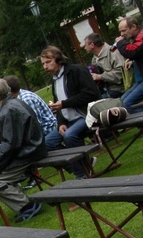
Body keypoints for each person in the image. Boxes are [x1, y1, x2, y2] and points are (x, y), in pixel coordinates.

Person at [0, 79, 46, 222]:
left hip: (27, 153)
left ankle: (27, 205)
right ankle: (24, 203)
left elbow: (11, 146)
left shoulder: (7, 110)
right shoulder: (14, 103)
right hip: (32, 148)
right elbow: (14, 137)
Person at [40, 46, 100, 179]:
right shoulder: (55, 79)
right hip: (69, 120)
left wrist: (64, 103)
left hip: (87, 115)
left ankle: (82, 174)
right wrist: (61, 122)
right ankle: (85, 163)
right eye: (43, 64)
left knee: (69, 135)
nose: (45, 67)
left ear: (58, 59)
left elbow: (92, 94)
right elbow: (59, 104)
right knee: (47, 143)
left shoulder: (76, 71)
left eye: (48, 62)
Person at [83, 33, 125, 99]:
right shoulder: (94, 59)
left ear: (92, 45)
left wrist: (100, 77)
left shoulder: (113, 52)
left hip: (119, 89)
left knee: (98, 103)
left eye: (85, 45)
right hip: (104, 89)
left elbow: (121, 73)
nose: (84, 48)